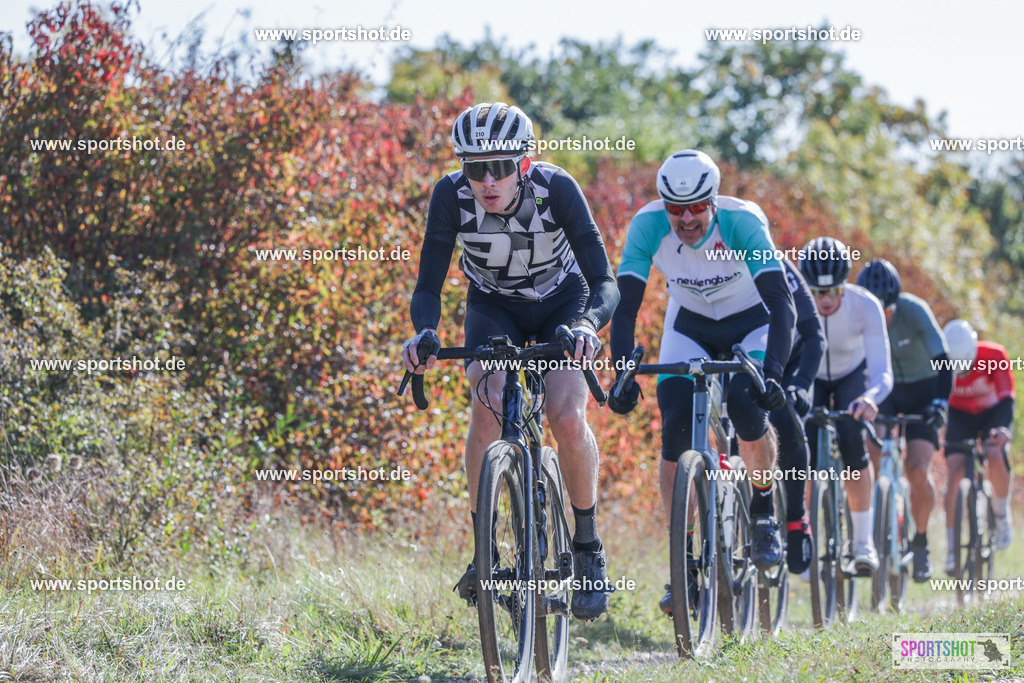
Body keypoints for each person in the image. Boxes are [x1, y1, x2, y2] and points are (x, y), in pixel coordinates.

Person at [402, 102, 620, 620]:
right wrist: (424, 334)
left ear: (523, 164)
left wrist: (589, 326)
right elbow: (428, 283)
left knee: (567, 415)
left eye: (500, 167)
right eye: (476, 168)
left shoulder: (556, 188)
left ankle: (587, 546)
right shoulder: (450, 195)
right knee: (488, 400)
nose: (487, 180)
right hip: (493, 306)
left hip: (563, 303)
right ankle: (486, 551)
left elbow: (605, 280)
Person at [608, 149, 796, 614]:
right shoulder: (647, 225)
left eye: (696, 208)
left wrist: (772, 373)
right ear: (664, 205)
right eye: (676, 209)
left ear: (712, 200)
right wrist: (621, 371)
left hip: (750, 320)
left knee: (747, 404)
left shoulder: (742, 221)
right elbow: (626, 306)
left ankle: (763, 508)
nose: (686, 219)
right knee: (673, 425)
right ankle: (682, 560)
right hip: (689, 324)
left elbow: (781, 301)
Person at [800, 238, 893, 575]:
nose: (825, 300)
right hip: (811, 372)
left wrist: (871, 397)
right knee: (801, 449)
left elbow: (883, 370)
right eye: (816, 292)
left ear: (845, 284)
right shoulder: (793, 300)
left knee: (853, 438)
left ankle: (863, 543)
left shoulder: (865, 305)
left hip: (851, 375)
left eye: (833, 291)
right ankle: (802, 536)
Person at [857, 258, 952, 582]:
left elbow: (943, 360)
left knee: (916, 469)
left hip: (924, 391)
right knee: (870, 445)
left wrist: (939, 402)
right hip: (886, 389)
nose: (880, 318)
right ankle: (865, 530)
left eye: (886, 311)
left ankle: (921, 541)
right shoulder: (858, 314)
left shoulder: (914, 310)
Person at [942, 319, 1015, 573]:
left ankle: (1002, 514)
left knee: (995, 452)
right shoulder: (941, 361)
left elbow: (1007, 397)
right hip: (960, 417)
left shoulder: (994, 355)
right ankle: (952, 550)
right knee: (954, 474)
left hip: (992, 414)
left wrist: (1003, 428)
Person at [769, 259, 826, 575]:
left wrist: (802, 386)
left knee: (786, 420)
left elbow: (816, 338)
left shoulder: (779, 267)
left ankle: (794, 518)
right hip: (740, 353)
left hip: (790, 360)